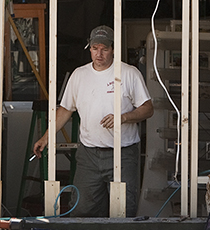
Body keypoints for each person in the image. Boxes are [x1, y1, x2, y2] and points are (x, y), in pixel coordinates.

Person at [33, 25, 154, 217]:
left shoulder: (129, 73)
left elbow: (148, 109)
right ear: (89, 48)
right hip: (89, 154)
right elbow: (65, 110)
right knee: (81, 210)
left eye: (105, 49)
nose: (99, 54)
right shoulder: (79, 75)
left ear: (113, 49)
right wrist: (45, 138)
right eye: (95, 48)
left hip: (123, 154)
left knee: (123, 210)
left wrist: (123, 117)